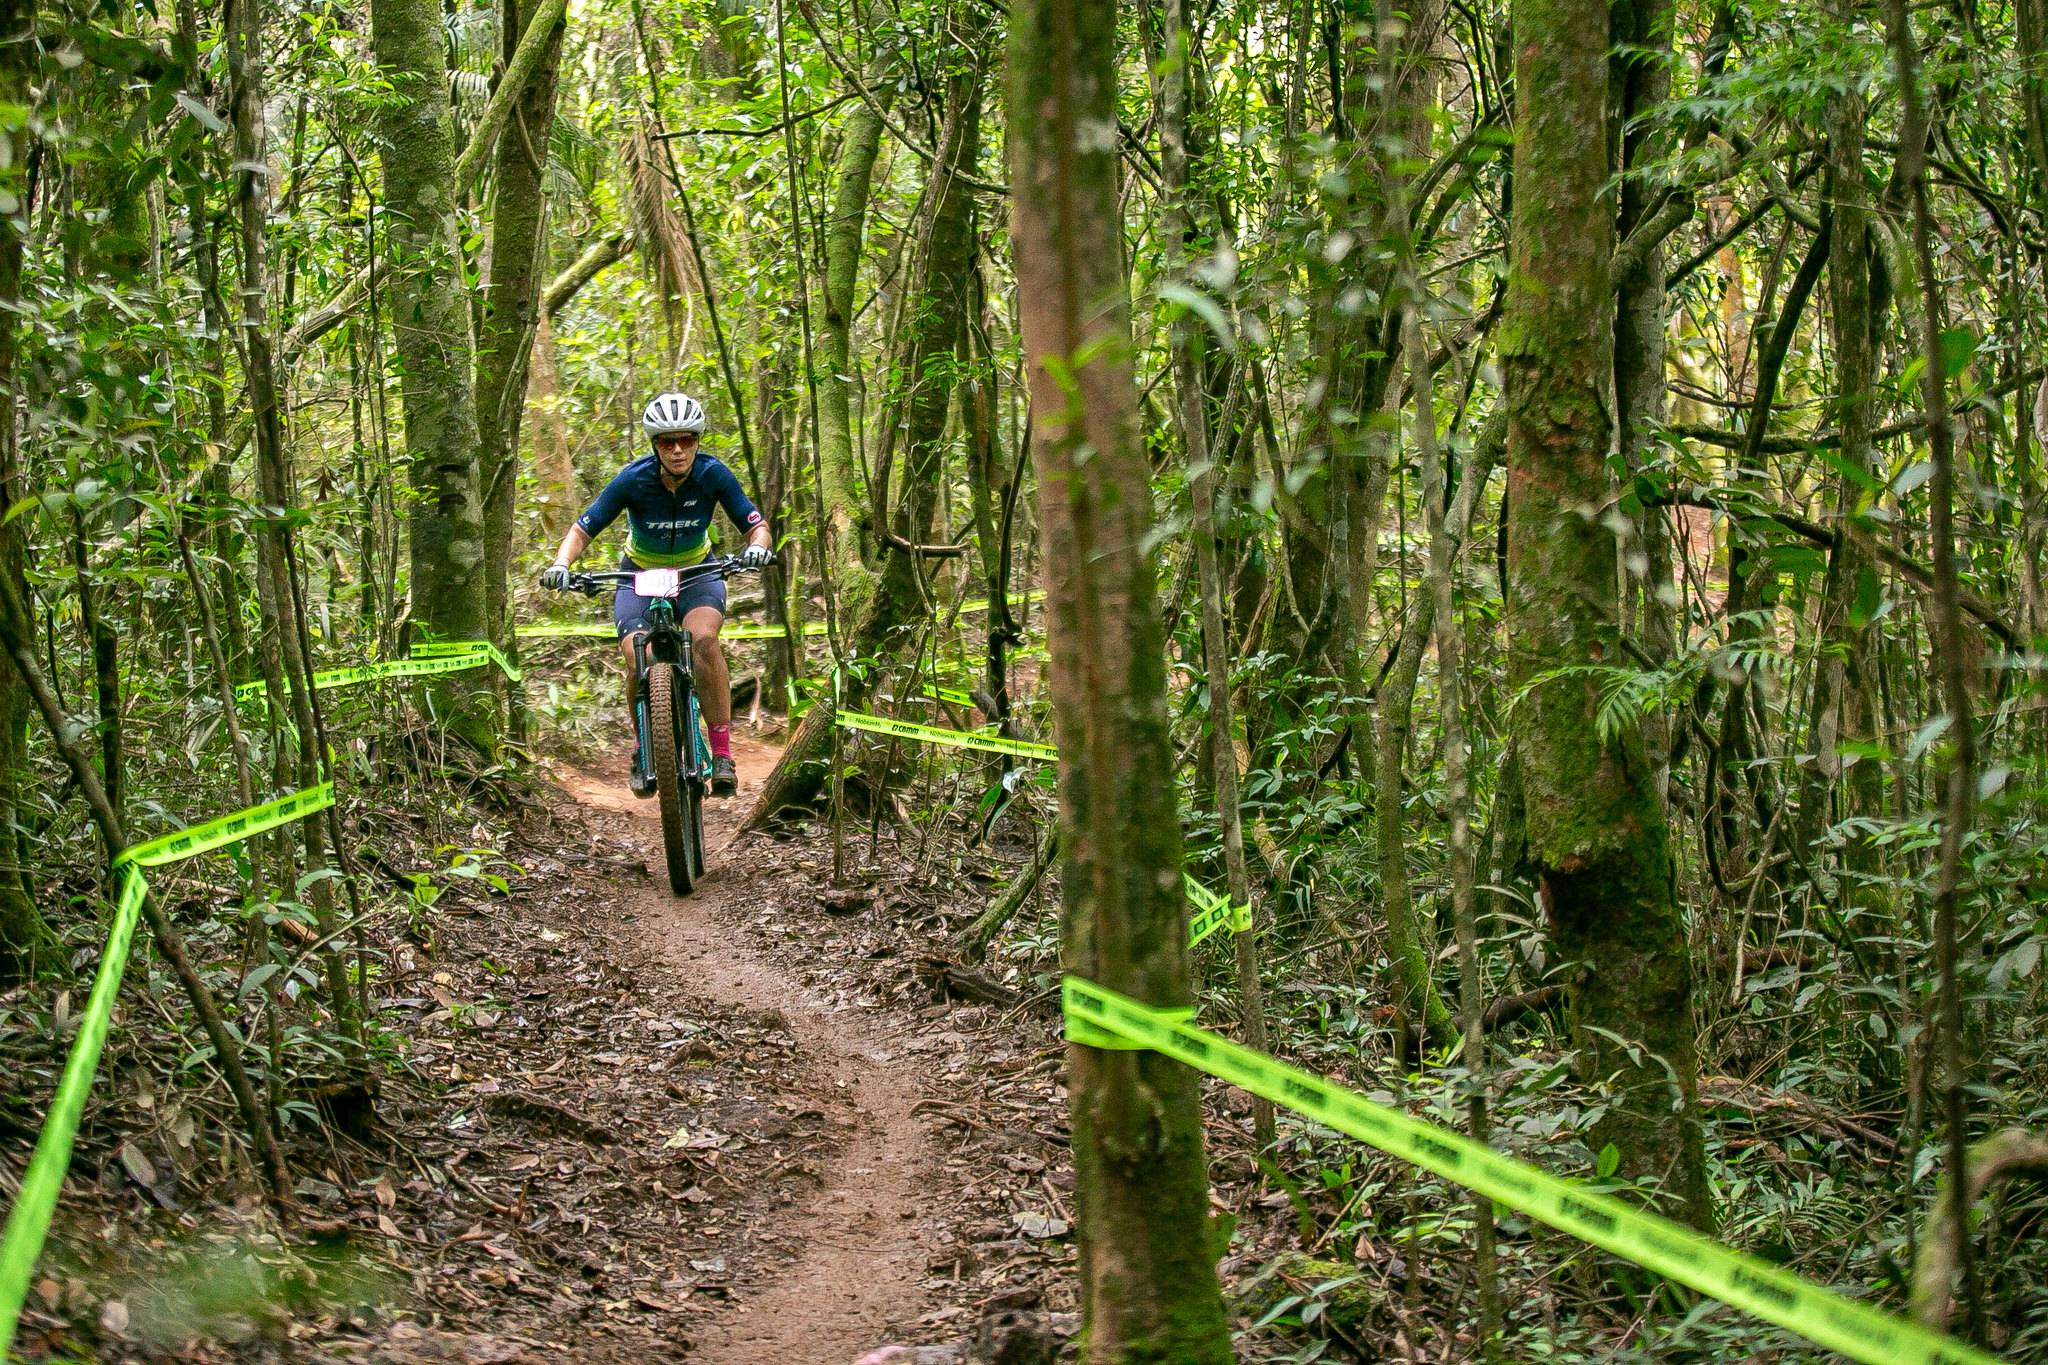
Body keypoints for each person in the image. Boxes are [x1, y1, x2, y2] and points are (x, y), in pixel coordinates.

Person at [540, 392, 773, 798]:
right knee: (636, 656)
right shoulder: (633, 478)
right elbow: (582, 530)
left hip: (697, 572)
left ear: (698, 440)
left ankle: (721, 755)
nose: (678, 449)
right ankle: (642, 749)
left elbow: (757, 525)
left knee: (703, 640)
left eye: (687, 440)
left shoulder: (714, 474)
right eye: (668, 442)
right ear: (655, 445)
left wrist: (757, 546)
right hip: (638, 574)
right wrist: (562, 564)